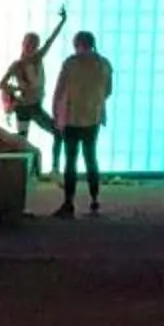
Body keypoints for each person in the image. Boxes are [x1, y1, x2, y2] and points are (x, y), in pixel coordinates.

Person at [52, 28, 113, 217]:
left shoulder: (70, 63)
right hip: (93, 117)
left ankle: (68, 202)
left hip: (71, 118)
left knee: (70, 160)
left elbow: (60, 90)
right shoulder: (104, 63)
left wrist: (56, 113)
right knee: (91, 158)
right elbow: (108, 91)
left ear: (77, 44)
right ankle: (94, 200)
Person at [0, 12, 67, 178]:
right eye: (29, 44)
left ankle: (55, 168)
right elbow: (1, 84)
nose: (31, 47)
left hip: (35, 105)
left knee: (57, 133)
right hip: (24, 107)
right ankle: (23, 173)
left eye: (34, 45)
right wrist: (16, 91)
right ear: (23, 45)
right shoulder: (17, 65)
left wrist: (62, 21)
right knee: (22, 140)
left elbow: (50, 40)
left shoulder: (38, 58)